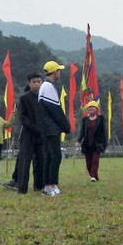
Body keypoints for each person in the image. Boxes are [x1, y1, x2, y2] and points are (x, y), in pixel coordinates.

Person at [39, 61, 71, 197]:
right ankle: (53, 186)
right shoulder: (48, 87)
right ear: (55, 72)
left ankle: (47, 186)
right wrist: (66, 126)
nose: (60, 73)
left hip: (46, 128)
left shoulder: (44, 86)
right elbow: (56, 110)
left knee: (49, 156)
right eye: (59, 70)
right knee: (55, 156)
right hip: (51, 128)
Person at [15, 73, 45, 195]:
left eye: (39, 81)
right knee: (24, 162)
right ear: (29, 83)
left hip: (41, 135)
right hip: (28, 134)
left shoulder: (44, 97)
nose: (37, 84)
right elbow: (23, 118)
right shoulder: (24, 98)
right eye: (34, 82)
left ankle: (39, 186)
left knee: (41, 161)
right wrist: (34, 128)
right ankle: (22, 189)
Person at [77, 101, 107, 181]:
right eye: (89, 108)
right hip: (87, 144)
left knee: (95, 161)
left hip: (97, 144)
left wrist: (105, 143)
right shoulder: (85, 119)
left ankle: (93, 176)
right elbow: (82, 131)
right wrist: (78, 140)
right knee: (88, 163)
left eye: (93, 108)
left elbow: (104, 131)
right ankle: (94, 176)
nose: (91, 109)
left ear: (96, 109)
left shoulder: (101, 118)